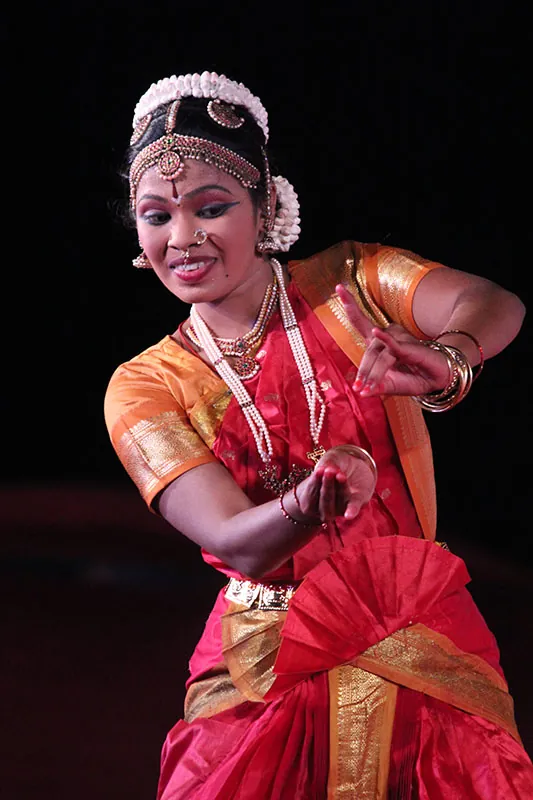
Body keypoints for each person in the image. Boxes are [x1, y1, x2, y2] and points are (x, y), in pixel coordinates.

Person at [104, 71, 533, 798]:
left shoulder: (350, 284)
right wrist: (315, 499)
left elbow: (489, 300)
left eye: (212, 208)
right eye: (155, 216)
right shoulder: (146, 386)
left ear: (265, 205)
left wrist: (452, 355)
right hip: (263, 655)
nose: (183, 238)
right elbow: (233, 538)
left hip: (417, 624)